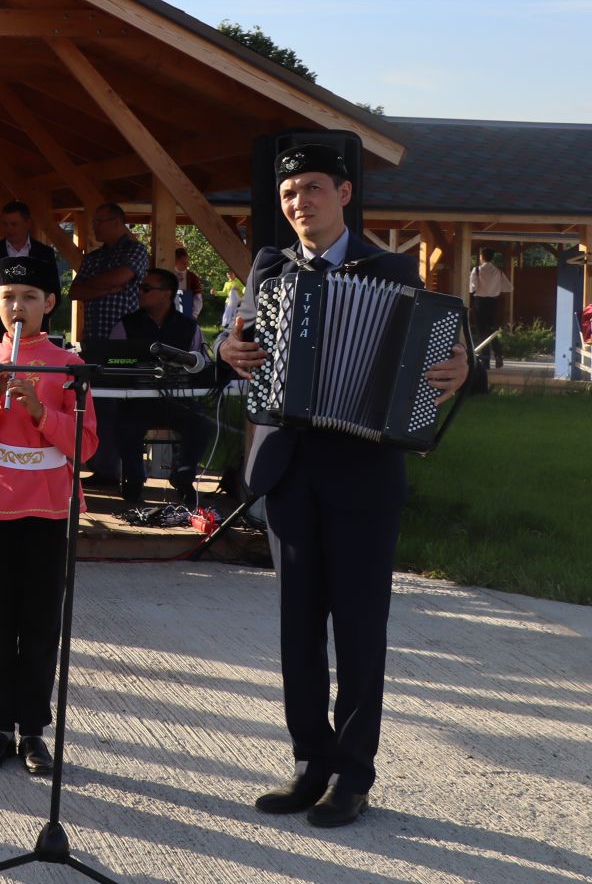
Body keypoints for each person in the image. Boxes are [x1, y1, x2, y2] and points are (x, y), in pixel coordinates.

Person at [218, 144, 467, 828]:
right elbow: (233, 337)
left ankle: (353, 773)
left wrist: (461, 365)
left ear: (346, 194)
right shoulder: (269, 267)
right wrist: (226, 351)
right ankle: (310, 764)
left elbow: (443, 348)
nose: (300, 201)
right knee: (298, 628)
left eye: (313, 189)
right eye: (290, 192)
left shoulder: (391, 269)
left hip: (363, 470)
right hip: (290, 470)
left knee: (359, 629)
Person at [0, 252, 96, 777]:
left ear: (49, 304)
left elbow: (87, 445)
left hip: (50, 505)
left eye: (30, 297)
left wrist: (39, 411)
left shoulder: (69, 365)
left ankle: (33, 729)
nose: (18, 306)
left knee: (39, 624)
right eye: (8, 297)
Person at [105, 268, 215, 504]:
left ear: (167, 294)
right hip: (137, 402)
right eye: (140, 288)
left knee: (203, 426)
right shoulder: (126, 325)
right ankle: (133, 481)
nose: (140, 292)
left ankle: (183, 478)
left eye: (146, 288)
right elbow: (111, 360)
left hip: (178, 400)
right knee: (125, 425)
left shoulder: (189, 327)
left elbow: (201, 363)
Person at [0, 201, 62, 350]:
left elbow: (54, 293)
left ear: (27, 223)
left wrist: (35, 318)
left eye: (14, 224)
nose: (9, 229)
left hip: (36, 335)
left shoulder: (44, 253)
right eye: (5, 224)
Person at [70, 203, 150, 339]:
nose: (93, 226)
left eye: (98, 222)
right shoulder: (93, 257)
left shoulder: (135, 249)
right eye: (93, 222)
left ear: (116, 222)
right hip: (93, 337)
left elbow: (119, 278)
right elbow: (75, 292)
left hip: (125, 338)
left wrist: (89, 284)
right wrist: (107, 290)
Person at [469, 247, 509, 369]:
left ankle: (485, 361)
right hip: (493, 303)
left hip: (480, 303)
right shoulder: (499, 271)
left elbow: (472, 288)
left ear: (481, 256)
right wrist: (495, 289)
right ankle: (498, 357)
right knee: (493, 330)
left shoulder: (477, 270)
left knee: (482, 332)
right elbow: (508, 288)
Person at [173, 246, 206, 322]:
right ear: (175, 261)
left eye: (187, 262)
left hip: (186, 312)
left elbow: (198, 297)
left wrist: (194, 314)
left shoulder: (192, 277)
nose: (186, 265)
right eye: (183, 262)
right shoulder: (168, 274)